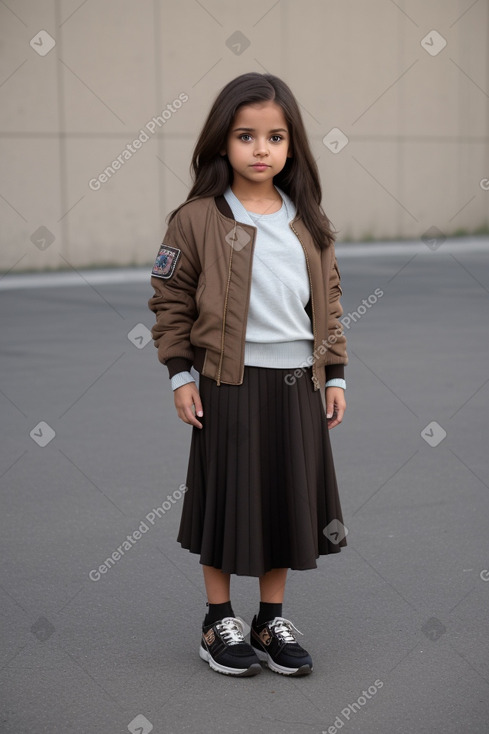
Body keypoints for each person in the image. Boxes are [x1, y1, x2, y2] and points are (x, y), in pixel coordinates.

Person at [148, 72, 348, 678]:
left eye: (276, 137)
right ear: (222, 143)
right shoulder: (197, 218)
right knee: (225, 502)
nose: (262, 149)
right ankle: (218, 621)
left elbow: (330, 302)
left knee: (285, 501)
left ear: (292, 147)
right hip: (227, 383)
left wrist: (335, 375)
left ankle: (269, 618)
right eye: (246, 135)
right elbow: (170, 299)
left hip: (298, 385)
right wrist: (181, 375)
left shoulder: (307, 220)